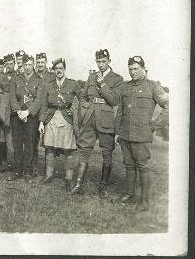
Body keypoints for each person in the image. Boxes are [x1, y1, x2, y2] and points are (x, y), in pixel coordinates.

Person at [114, 56, 168, 211]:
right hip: (125, 135)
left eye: (136, 68)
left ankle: (145, 201)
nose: (133, 72)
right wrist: (118, 132)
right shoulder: (125, 86)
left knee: (143, 166)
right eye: (130, 69)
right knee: (129, 166)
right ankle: (129, 195)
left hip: (142, 135)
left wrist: (155, 125)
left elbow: (168, 104)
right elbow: (120, 111)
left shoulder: (153, 86)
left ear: (143, 68)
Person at [71, 49, 123, 198]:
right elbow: (83, 96)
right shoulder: (91, 76)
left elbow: (114, 100)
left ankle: (103, 188)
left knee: (107, 153)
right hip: (89, 118)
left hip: (106, 120)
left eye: (103, 61)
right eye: (98, 62)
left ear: (109, 61)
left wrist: (102, 84)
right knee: (84, 150)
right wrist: (83, 109)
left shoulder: (117, 79)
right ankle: (78, 184)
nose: (100, 65)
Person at [38, 58, 80, 191]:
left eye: (61, 68)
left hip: (66, 119)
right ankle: (49, 175)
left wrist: (74, 111)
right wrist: (41, 122)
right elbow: (44, 105)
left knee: (68, 150)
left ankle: (68, 179)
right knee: (49, 148)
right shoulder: (48, 85)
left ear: (65, 69)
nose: (58, 71)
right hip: (51, 118)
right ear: (53, 70)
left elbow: (83, 99)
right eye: (56, 69)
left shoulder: (72, 84)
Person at [8, 54, 44, 181]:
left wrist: (27, 112)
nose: (28, 67)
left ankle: (28, 171)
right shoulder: (15, 79)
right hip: (17, 116)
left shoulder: (39, 80)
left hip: (31, 117)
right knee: (16, 144)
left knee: (30, 144)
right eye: (25, 65)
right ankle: (18, 170)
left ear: (33, 65)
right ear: (21, 65)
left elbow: (39, 100)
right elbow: (12, 97)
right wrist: (18, 111)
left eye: (30, 64)